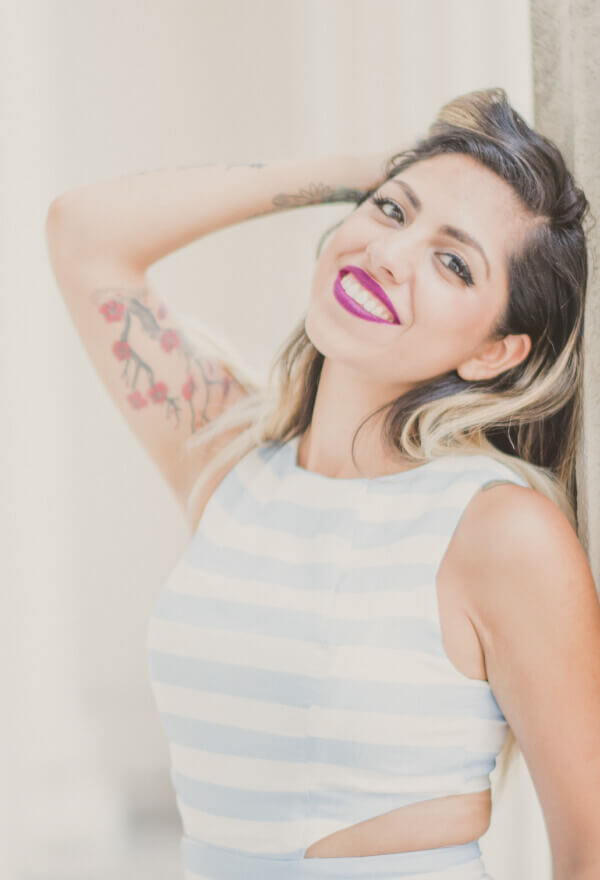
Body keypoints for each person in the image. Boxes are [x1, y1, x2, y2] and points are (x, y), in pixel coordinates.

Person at [45, 87, 600, 880]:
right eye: (391, 211)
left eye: (453, 262)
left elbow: (589, 854)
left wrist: (398, 188)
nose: (390, 255)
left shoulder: (498, 530)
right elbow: (84, 230)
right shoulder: (233, 466)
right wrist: (364, 172)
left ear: (494, 353)